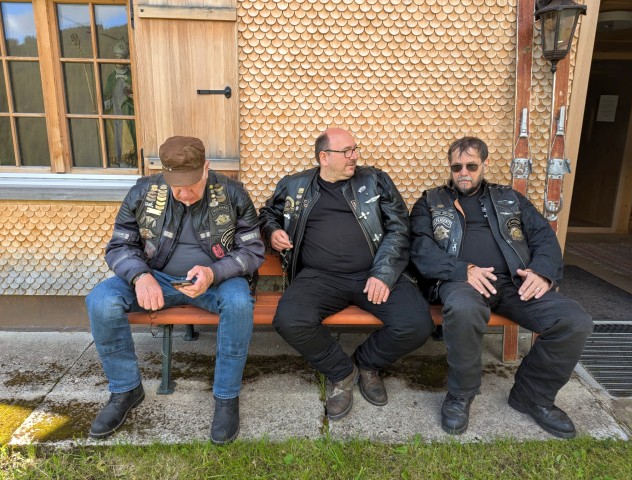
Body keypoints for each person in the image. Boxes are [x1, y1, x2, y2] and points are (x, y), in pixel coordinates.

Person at [410, 136, 593, 438]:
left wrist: (541, 272)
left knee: (573, 320)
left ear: (484, 165)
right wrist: (462, 270)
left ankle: (532, 396)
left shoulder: (510, 198)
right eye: (457, 167)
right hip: (462, 282)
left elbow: (544, 237)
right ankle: (461, 394)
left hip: (514, 282)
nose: (464, 173)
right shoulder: (430, 202)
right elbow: (420, 248)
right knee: (463, 309)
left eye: (471, 166)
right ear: (450, 168)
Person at [86, 136, 264, 444]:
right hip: (157, 277)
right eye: (176, 186)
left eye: (191, 185)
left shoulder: (233, 194)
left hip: (215, 280)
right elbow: (119, 246)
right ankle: (126, 389)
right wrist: (140, 276)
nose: (184, 194)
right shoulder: (143, 192)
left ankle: (226, 396)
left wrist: (213, 272)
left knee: (239, 304)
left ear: (206, 169)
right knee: (101, 301)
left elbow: (251, 250)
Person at [260, 127, 434, 420]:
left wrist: (383, 273)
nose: (354, 156)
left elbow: (399, 227)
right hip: (319, 277)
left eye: (355, 150)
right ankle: (341, 372)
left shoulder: (375, 181)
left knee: (416, 324)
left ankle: (367, 362)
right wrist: (273, 231)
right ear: (324, 157)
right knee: (289, 320)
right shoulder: (295, 185)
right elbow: (268, 214)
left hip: (373, 273)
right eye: (346, 152)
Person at [103, 38, 136, 167]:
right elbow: (107, 95)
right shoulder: (111, 77)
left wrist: (131, 96)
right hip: (115, 115)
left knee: (130, 140)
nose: (119, 60)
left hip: (129, 115)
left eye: (122, 58)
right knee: (117, 141)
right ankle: (122, 166)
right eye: (116, 57)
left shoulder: (132, 76)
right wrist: (104, 105)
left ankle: (132, 164)